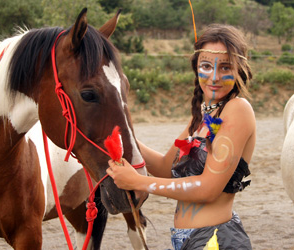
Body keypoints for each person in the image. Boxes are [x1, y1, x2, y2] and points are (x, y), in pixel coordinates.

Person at [107, 23, 255, 250]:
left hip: (216, 241)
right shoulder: (204, 114)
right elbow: (167, 168)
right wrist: (124, 135)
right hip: (187, 240)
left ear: (239, 69)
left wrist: (138, 182)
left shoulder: (237, 109)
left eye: (225, 67)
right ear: (196, 68)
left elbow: (208, 189)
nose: (214, 77)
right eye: (206, 66)